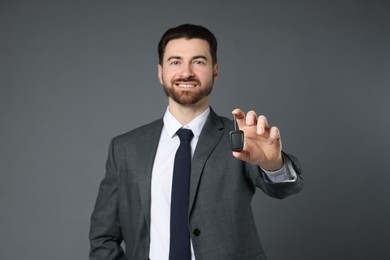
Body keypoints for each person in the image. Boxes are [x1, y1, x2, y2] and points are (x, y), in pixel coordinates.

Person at [89, 24, 303, 260]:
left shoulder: (240, 138)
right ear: (160, 72)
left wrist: (273, 164)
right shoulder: (126, 148)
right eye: (175, 61)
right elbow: (103, 237)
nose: (187, 72)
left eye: (199, 61)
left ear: (215, 71)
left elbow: (285, 188)